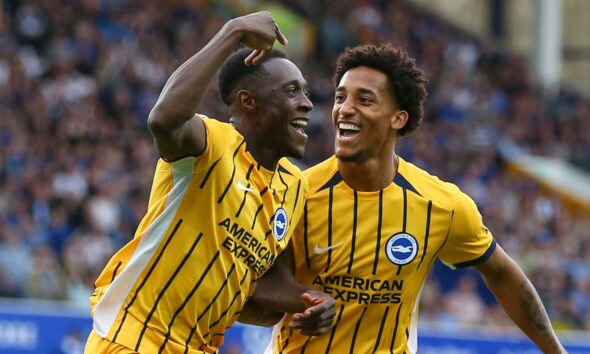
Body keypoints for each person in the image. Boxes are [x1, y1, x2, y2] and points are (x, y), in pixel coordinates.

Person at [254, 44, 566, 353]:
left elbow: (502, 274)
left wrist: (555, 351)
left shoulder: (441, 205)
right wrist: (303, 298)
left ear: (398, 119)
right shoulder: (296, 191)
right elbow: (261, 279)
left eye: (364, 99)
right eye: (340, 97)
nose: (345, 108)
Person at [84, 12, 335, 354]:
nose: (307, 103)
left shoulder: (294, 185)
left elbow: (258, 278)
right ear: (249, 102)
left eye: (305, 92)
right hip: (134, 338)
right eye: (292, 91)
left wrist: (307, 299)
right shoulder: (210, 144)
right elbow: (164, 119)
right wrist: (232, 32)